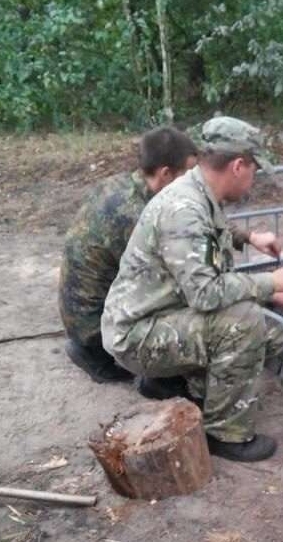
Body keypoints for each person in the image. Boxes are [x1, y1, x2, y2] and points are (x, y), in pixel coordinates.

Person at [101, 115, 283, 462]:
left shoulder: (197, 190)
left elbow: (210, 243)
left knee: (270, 334)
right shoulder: (184, 209)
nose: (253, 180)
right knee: (245, 323)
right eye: (254, 171)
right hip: (137, 334)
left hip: (162, 314)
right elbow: (205, 294)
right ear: (237, 166)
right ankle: (225, 433)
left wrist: (266, 277)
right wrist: (272, 282)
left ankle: (172, 383)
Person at [59, 126, 198, 383]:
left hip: (79, 313)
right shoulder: (135, 215)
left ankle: (93, 349)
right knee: (179, 299)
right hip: (96, 325)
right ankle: (141, 372)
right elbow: (176, 272)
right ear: (166, 173)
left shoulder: (118, 185)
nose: (193, 182)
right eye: (188, 174)